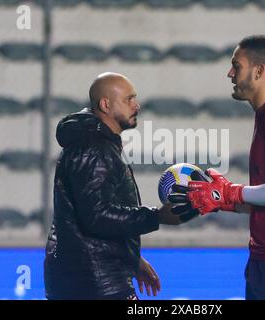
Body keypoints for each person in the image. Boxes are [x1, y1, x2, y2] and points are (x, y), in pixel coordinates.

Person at [170, 36, 265, 300]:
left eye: (236, 65)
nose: (230, 73)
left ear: (259, 71)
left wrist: (231, 193)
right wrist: (220, 200)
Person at [44, 72, 195, 300]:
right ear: (105, 104)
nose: (137, 105)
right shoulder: (95, 148)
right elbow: (97, 216)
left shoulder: (92, 141)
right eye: (129, 99)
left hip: (86, 275)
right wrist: (158, 217)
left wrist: (130, 257)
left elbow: (92, 214)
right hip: (95, 281)